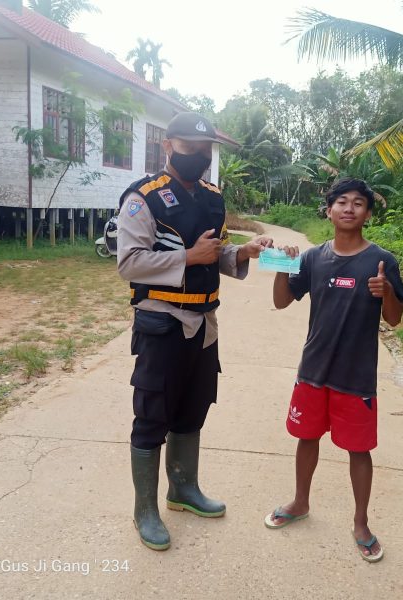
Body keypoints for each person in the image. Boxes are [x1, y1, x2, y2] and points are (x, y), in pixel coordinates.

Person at [117, 112, 273, 551]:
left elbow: (217, 253)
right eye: (189, 149)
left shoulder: (212, 197)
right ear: (168, 147)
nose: (199, 158)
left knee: (193, 408)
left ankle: (182, 488)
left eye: (205, 151)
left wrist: (242, 251)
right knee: (152, 416)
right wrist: (188, 257)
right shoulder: (141, 199)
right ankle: (144, 509)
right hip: (162, 322)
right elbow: (128, 263)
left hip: (205, 323)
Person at [264, 177, 403, 563]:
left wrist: (387, 292)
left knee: (359, 450)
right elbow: (281, 302)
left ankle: (361, 522)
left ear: (368, 213)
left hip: (356, 375)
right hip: (313, 370)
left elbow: (394, 320)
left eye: (358, 203)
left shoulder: (382, 260)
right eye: (341, 202)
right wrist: (284, 266)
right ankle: (299, 502)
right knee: (305, 439)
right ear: (328, 211)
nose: (348, 208)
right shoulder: (313, 258)